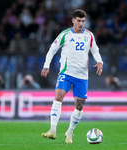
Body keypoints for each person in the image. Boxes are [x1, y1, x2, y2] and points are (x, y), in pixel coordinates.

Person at [41, 9, 103, 144]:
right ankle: (52, 129)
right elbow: (52, 50)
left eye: (83, 21)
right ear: (73, 20)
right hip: (66, 73)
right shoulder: (65, 35)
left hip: (82, 76)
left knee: (79, 105)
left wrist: (99, 61)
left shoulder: (89, 35)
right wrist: (46, 65)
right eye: (79, 21)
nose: (81, 24)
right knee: (58, 96)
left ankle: (69, 131)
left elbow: (95, 50)